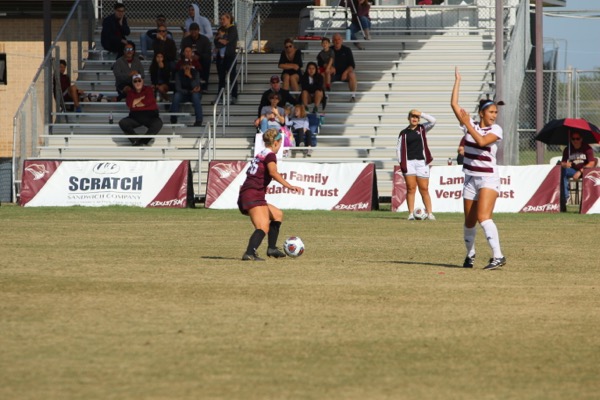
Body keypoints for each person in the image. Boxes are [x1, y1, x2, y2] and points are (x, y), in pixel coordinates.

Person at [451, 67, 506, 270]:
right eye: (491, 112)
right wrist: (458, 80)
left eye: (496, 112)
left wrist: (468, 124)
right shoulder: (470, 124)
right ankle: (470, 255)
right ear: (482, 113)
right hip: (470, 178)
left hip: (488, 178)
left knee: (484, 217)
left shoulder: (495, 129)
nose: (494, 115)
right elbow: (454, 105)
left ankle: (498, 256)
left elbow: (482, 142)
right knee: (469, 222)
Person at [237, 128, 302, 261]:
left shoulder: (261, 153)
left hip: (252, 193)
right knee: (262, 227)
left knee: (277, 214)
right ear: (276, 143)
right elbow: (273, 172)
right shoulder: (270, 155)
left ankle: (271, 248)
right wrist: (289, 186)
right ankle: (249, 253)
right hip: (253, 194)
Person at [396, 109, 436, 220]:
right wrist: (401, 162)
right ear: (408, 118)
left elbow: (433, 121)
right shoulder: (403, 133)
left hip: (421, 162)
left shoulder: (422, 128)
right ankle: (410, 214)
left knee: (424, 188)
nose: (414, 119)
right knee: (411, 188)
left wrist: (421, 114)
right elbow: (399, 149)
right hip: (409, 162)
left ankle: (430, 213)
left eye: (416, 117)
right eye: (412, 117)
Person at [119, 74, 163, 146]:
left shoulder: (149, 89)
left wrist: (136, 103)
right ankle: (136, 141)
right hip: (135, 117)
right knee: (123, 123)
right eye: (135, 81)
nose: (137, 83)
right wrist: (142, 101)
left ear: (142, 81)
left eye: (139, 80)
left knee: (158, 123)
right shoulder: (130, 93)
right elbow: (130, 104)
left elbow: (149, 101)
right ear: (133, 83)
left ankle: (143, 142)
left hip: (150, 116)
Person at [559, 133, 596, 211]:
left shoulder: (587, 148)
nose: (575, 141)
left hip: (585, 171)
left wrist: (580, 171)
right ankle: (564, 198)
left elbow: (592, 163)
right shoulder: (568, 149)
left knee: (592, 175)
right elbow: (562, 163)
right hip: (572, 170)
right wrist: (565, 164)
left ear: (581, 139)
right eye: (573, 139)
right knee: (563, 171)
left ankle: (588, 203)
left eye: (577, 138)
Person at [171, 49, 203, 127]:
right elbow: (178, 88)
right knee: (177, 95)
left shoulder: (195, 73)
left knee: (195, 96)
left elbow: (197, 87)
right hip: (184, 93)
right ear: (182, 66)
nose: (186, 67)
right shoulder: (178, 74)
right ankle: (173, 118)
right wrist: (189, 92)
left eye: (188, 65)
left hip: (194, 93)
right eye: (185, 66)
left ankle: (199, 120)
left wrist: (190, 76)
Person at [214, 12, 238, 103]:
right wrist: (220, 40)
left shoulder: (233, 29)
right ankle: (220, 97)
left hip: (229, 56)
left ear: (229, 19)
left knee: (232, 76)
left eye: (223, 19)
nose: (221, 21)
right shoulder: (220, 29)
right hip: (220, 57)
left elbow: (227, 41)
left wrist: (220, 39)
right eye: (221, 19)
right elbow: (215, 41)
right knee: (221, 77)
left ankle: (234, 96)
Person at [180, 22, 212, 90]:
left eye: (195, 29)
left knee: (206, 61)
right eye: (192, 30)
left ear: (198, 30)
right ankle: (186, 86)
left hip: (201, 59)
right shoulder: (186, 40)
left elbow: (208, 53)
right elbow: (182, 52)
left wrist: (199, 57)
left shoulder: (205, 39)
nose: (193, 31)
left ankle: (204, 86)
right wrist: (188, 56)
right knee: (180, 64)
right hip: (188, 59)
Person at [331, 33, 358, 102]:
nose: (337, 41)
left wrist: (345, 72)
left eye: (339, 39)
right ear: (332, 41)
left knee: (352, 74)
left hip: (344, 75)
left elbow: (352, 65)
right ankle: (325, 96)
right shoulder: (329, 50)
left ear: (342, 40)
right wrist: (329, 68)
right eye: (335, 40)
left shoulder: (347, 50)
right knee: (323, 74)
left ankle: (353, 96)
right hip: (332, 74)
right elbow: (322, 63)